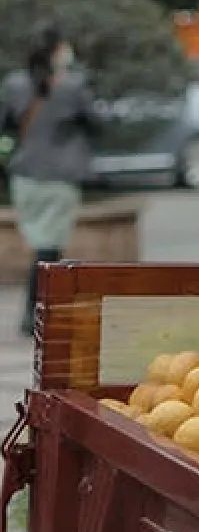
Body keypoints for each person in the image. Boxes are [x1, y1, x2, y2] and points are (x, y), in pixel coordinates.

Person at [1, 23, 98, 337]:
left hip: (24, 176)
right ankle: (34, 312)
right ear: (59, 52)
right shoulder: (72, 86)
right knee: (48, 248)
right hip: (59, 176)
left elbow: (7, 124)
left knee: (40, 244)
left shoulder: (15, 84)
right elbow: (96, 121)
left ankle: (39, 309)